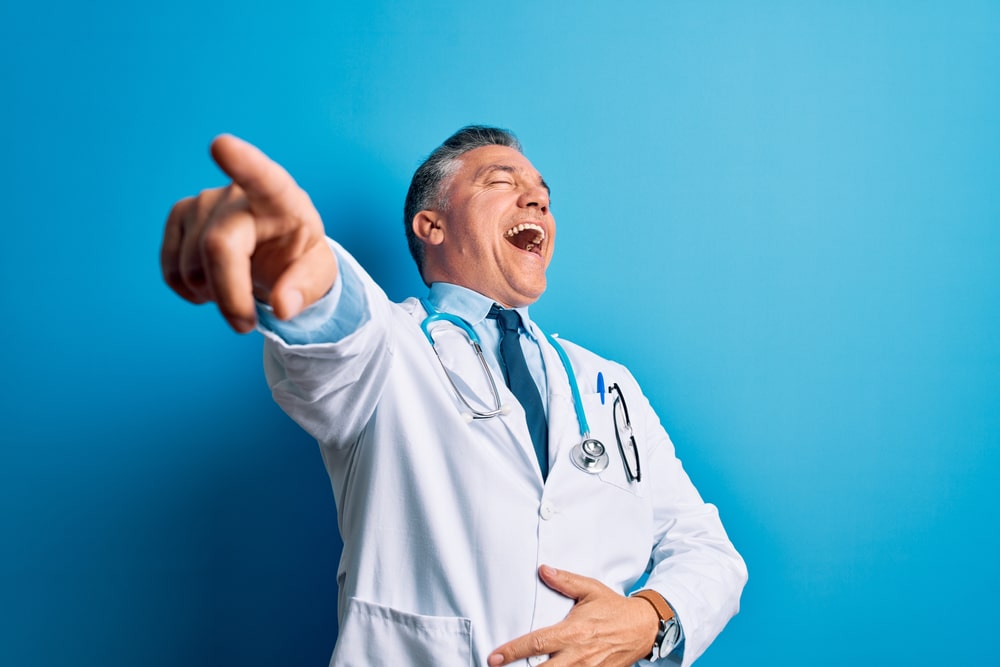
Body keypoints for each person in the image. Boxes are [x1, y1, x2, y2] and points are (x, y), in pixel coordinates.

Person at [161, 126, 747, 666]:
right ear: (431, 225)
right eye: (502, 182)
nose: (536, 200)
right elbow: (335, 327)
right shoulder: (389, 347)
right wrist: (297, 267)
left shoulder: (606, 382)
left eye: (543, 193)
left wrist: (649, 619)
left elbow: (708, 550)